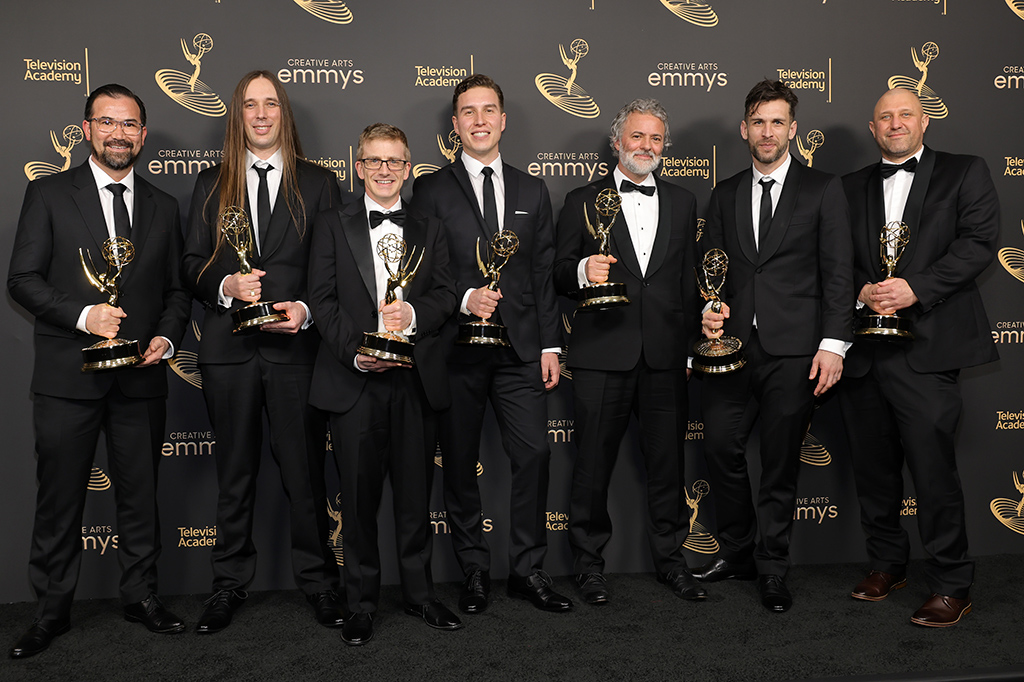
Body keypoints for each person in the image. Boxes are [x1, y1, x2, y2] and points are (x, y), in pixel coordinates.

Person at [8, 84, 191, 658]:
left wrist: (166, 334)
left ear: (143, 133)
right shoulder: (49, 194)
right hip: (68, 378)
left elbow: (177, 292)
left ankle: (141, 596)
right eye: (108, 122)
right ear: (87, 128)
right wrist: (85, 314)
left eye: (130, 124)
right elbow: (23, 279)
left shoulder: (164, 205)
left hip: (139, 377)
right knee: (60, 499)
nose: (119, 133)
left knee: (141, 496)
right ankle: (51, 610)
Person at [181, 70, 344, 633]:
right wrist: (225, 287)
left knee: (305, 476)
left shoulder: (321, 184)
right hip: (228, 353)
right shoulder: (211, 183)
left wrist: (306, 312)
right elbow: (191, 264)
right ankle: (227, 586)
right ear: (238, 115)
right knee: (234, 475)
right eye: (249, 105)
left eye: (270, 103)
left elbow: (338, 270)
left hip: (295, 353)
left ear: (283, 112)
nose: (260, 114)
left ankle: (321, 583)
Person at [411, 74, 572, 614]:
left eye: (488, 111)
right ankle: (474, 571)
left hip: (521, 350)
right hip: (454, 348)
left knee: (535, 455)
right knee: (458, 464)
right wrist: (463, 299)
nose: (478, 121)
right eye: (467, 112)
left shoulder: (532, 189)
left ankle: (527, 571)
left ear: (503, 120)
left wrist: (551, 346)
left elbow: (545, 272)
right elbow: (424, 271)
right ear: (454, 125)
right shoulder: (430, 189)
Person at [840, 88, 999, 627]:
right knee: (874, 471)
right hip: (863, 352)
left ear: (924, 120)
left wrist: (915, 287)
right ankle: (887, 563)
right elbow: (834, 257)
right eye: (885, 116)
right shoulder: (849, 186)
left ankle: (952, 582)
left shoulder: (964, 171)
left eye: (905, 113)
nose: (895, 123)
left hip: (928, 351)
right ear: (872, 126)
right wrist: (862, 289)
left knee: (933, 473)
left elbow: (979, 243)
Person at [695, 79, 853, 613]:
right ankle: (737, 551)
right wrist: (710, 310)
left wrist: (834, 344)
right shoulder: (725, 192)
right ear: (744, 129)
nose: (767, 131)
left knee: (781, 461)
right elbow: (711, 273)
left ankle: (772, 566)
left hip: (797, 351)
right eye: (758, 122)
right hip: (734, 351)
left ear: (793, 129)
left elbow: (837, 273)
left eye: (777, 122)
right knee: (719, 445)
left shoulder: (823, 189)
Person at [307, 123, 461, 645]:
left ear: (408, 165)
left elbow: (445, 295)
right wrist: (358, 353)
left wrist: (412, 314)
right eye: (373, 161)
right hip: (355, 383)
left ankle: (420, 596)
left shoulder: (430, 225)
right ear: (358, 166)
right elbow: (321, 301)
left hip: (415, 380)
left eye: (394, 161)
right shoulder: (331, 223)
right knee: (357, 499)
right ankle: (361, 603)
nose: (384, 171)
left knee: (416, 497)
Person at [553, 98, 703, 605]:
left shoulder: (684, 202)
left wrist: (688, 353)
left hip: (664, 357)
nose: (646, 146)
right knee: (592, 469)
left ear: (665, 147)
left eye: (656, 139)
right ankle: (589, 567)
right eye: (636, 137)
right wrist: (581, 272)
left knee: (668, 470)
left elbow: (687, 284)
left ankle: (672, 562)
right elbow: (555, 273)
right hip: (600, 356)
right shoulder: (580, 200)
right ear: (617, 142)